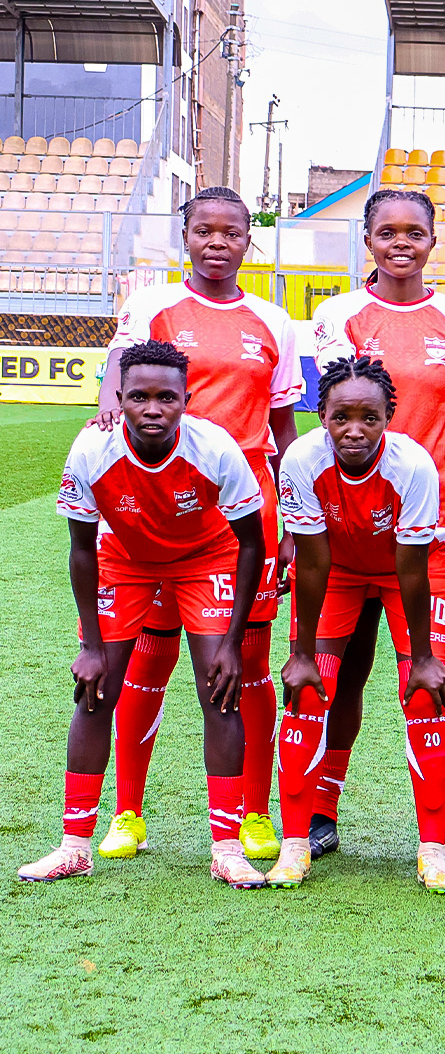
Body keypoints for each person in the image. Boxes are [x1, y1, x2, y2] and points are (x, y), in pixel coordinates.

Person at [94, 187, 301, 866]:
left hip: (243, 516)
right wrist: (108, 417)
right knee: (147, 656)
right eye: (204, 230)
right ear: (185, 235)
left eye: (231, 232)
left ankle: (253, 812)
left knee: (247, 663)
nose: (217, 242)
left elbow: (282, 428)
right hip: (157, 510)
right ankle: (128, 811)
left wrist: (292, 518)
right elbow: (116, 379)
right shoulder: (153, 306)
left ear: (248, 241)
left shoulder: (273, 321)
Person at [19, 342, 266, 885]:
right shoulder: (92, 449)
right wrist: (90, 646)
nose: (152, 409)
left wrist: (231, 641)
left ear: (186, 400)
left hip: (205, 558)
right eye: (138, 397)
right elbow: (81, 548)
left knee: (219, 690)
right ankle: (74, 846)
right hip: (125, 560)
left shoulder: (215, 448)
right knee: (95, 690)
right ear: (119, 398)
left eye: (166, 398)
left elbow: (251, 542)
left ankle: (227, 849)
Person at [311, 190, 445, 864]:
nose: (401, 243)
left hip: (434, 528)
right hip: (349, 523)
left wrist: (426, 485)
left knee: (435, 672)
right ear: (368, 240)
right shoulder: (338, 316)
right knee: (342, 671)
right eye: (387, 232)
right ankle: (321, 809)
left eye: (415, 232)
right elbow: (338, 409)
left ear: (433, 240)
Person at [270, 357, 445, 892]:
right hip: (336, 570)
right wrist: (302, 653)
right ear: (321, 416)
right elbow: (311, 561)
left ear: (388, 418)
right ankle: (295, 845)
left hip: (412, 572)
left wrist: (423, 659)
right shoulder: (300, 460)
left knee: (423, 696)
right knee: (308, 691)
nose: (354, 430)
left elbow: (411, 567)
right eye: (341, 417)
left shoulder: (414, 464)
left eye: (369, 418)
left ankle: (434, 850)